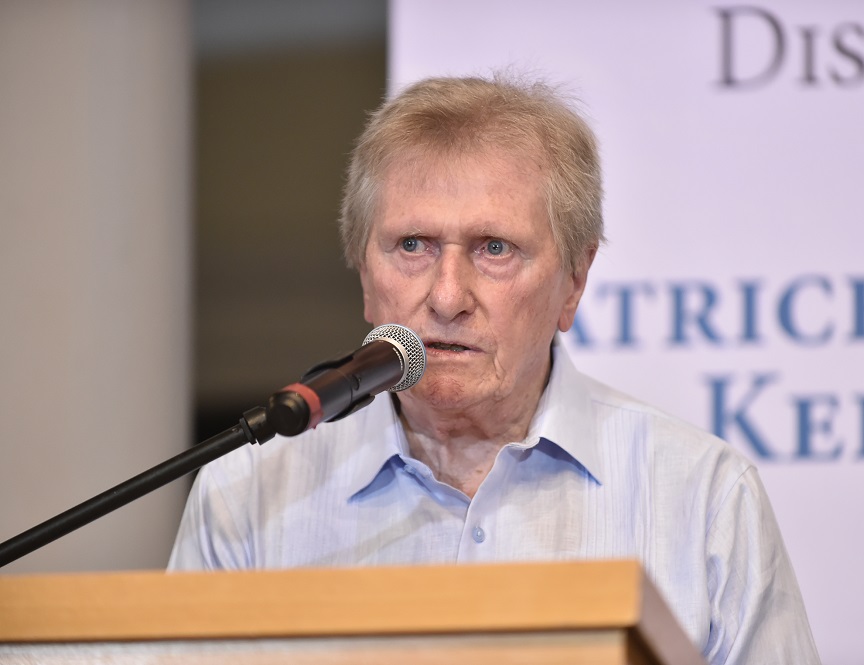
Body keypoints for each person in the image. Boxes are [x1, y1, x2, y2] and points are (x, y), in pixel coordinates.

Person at [169, 74, 821, 663]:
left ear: (575, 280)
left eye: (495, 248)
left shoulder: (703, 496)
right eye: (412, 245)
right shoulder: (248, 492)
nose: (448, 296)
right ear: (365, 274)